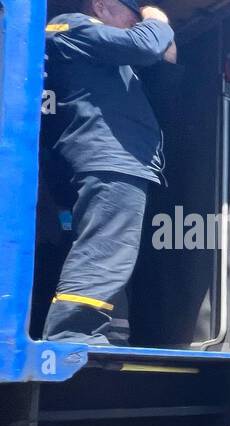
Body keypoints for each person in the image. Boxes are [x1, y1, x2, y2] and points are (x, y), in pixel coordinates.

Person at [41, 0, 177, 344]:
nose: (137, 24)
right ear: (101, 6)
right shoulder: (72, 26)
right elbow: (147, 43)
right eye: (133, 16)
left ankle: (112, 334)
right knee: (104, 250)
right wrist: (154, 16)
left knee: (112, 251)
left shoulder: (101, 53)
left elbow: (165, 53)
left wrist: (157, 36)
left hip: (116, 160)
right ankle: (73, 336)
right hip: (108, 158)